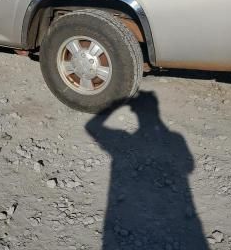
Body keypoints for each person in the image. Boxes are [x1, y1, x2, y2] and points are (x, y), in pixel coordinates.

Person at [85, 91, 208, 249]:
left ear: (135, 111)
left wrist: (115, 105)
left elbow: (91, 127)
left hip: (129, 217)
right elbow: (189, 167)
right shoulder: (175, 138)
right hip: (174, 220)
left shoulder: (125, 140)